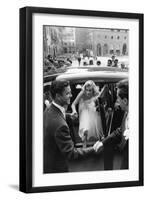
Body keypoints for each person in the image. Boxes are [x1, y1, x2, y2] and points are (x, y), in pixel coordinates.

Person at [43, 79, 94, 173]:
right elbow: (71, 153)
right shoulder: (60, 126)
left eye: (70, 92)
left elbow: (58, 116)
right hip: (56, 169)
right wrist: (93, 149)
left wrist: (68, 116)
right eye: (67, 93)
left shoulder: (50, 108)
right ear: (58, 96)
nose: (71, 95)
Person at [94, 79, 129, 169]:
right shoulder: (126, 112)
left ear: (125, 101)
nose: (117, 101)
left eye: (118, 98)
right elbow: (120, 130)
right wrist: (103, 143)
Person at [71, 80, 104, 147]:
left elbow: (103, 101)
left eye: (90, 90)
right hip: (84, 110)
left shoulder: (97, 94)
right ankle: (84, 145)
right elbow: (73, 104)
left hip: (93, 111)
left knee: (98, 128)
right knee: (85, 127)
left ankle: (100, 144)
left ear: (93, 90)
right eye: (87, 90)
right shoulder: (82, 93)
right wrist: (74, 111)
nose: (88, 92)